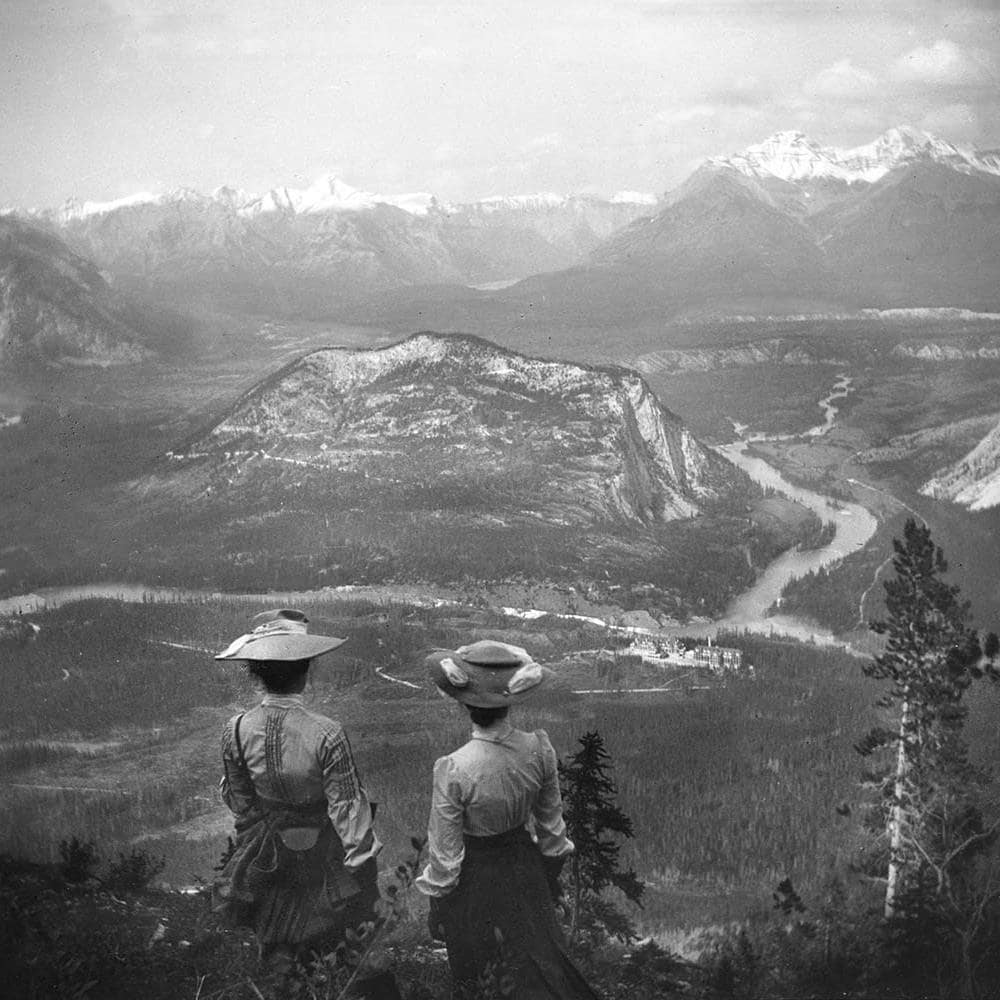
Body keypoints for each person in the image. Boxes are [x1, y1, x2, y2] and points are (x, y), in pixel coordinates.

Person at [211, 608, 396, 997]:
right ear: (305, 669)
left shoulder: (236, 729)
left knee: (282, 960)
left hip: (269, 853)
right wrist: (363, 874)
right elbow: (347, 808)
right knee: (350, 959)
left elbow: (241, 803)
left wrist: (263, 835)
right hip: (325, 856)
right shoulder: (326, 733)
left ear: (256, 671)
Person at [416, 640, 601, 999]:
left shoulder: (454, 768)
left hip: (475, 880)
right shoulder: (538, 749)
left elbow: (445, 858)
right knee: (542, 972)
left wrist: (438, 908)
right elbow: (552, 835)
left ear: (464, 703)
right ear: (509, 700)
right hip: (525, 870)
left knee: (480, 976)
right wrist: (547, 886)